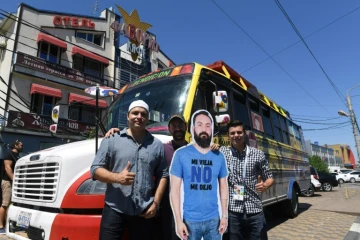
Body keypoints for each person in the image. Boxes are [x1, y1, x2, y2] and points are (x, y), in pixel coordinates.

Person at [90, 100, 168, 240]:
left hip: (144, 211)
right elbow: (95, 169)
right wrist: (117, 178)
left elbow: (163, 174)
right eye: (135, 113)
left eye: (143, 114)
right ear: (127, 116)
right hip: (115, 209)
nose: (139, 116)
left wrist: (156, 203)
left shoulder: (157, 145)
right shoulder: (112, 139)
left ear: (147, 118)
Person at [170, 110, 229, 240]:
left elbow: (224, 187)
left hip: (214, 220)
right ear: (192, 128)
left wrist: (224, 216)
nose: (204, 129)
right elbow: (174, 190)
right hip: (190, 220)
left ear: (212, 129)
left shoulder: (219, 156)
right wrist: (178, 221)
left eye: (208, 126)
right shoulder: (181, 155)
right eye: (200, 125)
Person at [220, 120, 274, 240]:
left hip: (255, 210)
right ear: (228, 136)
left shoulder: (257, 154)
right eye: (232, 133)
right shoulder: (222, 153)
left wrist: (265, 185)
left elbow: (269, 177)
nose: (236, 135)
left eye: (239, 132)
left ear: (244, 133)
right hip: (233, 212)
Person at [0, 140, 23, 234]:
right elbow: (7, 168)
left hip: (13, 182)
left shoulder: (17, 156)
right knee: (5, 204)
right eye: (21, 145)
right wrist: (15, 180)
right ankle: (0, 227)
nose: (23, 147)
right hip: (8, 182)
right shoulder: (9, 154)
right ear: (15, 145)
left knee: (10, 205)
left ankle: (7, 225)